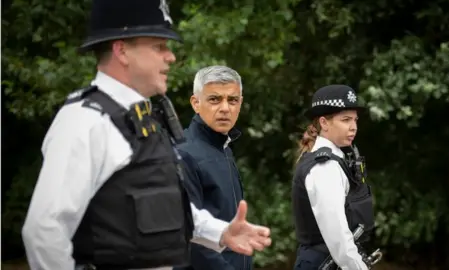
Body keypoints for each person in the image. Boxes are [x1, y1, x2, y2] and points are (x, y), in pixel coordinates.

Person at [21, 1, 271, 269]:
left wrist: (221, 233)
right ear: (122, 50)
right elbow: (44, 231)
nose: (170, 57)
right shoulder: (85, 120)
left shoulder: (142, 118)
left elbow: (164, 207)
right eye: (158, 46)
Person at [173, 66, 252, 270]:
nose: (225, 108)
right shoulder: (184, 154)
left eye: (232, 100)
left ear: (240, 103)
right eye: (215, 99)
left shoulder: (223, 149)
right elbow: (190, 237)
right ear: (195, 103)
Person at [291, 85, 375, 270]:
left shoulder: (336, 158)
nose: (353, 127)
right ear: (324, 123)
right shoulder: (325, 166)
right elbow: (338, 238)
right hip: (323, 263)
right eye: (345, 120)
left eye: (355, 120)